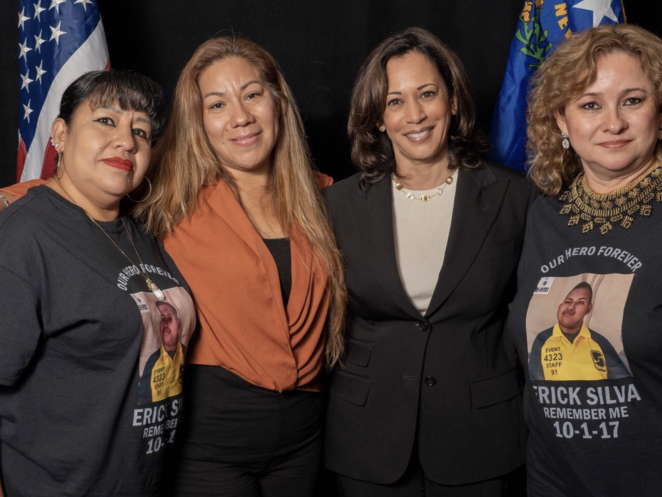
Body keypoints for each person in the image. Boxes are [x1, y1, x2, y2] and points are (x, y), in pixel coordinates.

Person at [323, 27, 535, 497]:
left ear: (453, 100)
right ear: (377, 116)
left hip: (480, 438)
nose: (414, 114)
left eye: (427, 94)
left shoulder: (514, 199)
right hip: (366, 440)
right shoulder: (336, 205)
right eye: (395, 101)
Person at [132, 36, 346, 497]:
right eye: (217, 104)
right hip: (208, 448)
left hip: (305, 442)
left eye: (252, 94)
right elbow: (85, 184)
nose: (241, 117)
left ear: (278, 101)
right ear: (199, 121)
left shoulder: (325, 197)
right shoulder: (169, 200)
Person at [0, 70, 196, 496]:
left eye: (140, 131)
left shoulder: (141, 236)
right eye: (106, 120)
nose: (127, 141)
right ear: (61, 134)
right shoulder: (22, 238)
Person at [506, 23, 662, 496]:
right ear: (560, 121)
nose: (612, 123)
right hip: (552, 481)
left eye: (632, 100)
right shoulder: (540, 215)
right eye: (590, 104)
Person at [529, 282, 631, 381]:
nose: (570, 307)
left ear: (588, 309)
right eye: (568, 301)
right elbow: (536, 384)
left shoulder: (600, 342)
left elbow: (624, 384)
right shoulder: (542, 339)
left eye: (580, 303)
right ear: (560, 305)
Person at [139, 301, 188, 404]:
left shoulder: (186, 351)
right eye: (162, 320)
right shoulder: (152, 362)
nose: (166, 325)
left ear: (178, 323)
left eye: (169, 319)